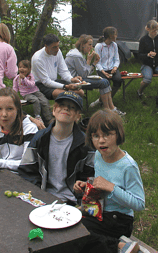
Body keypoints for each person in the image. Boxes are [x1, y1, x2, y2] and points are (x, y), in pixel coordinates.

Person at [75, 109, 145, 253]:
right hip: (99, 211)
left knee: (80, 234)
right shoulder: (98, 155)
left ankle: (118, 246)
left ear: (118, 135)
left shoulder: (128, 166)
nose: (101, 140)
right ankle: (119, 245)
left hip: (119, 219)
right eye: (96, 136)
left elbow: (139, 203)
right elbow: (101, 183)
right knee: (71, 227)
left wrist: (111, 187)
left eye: (107, 134)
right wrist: (88, 185)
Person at [18, 91, 95, 205]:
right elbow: (27, 171)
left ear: (78, 116)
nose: (66, 109)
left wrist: (80, 195)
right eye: (61, 105)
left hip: (72, 201)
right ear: (54, 110)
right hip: (43, 198)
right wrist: (38, 194)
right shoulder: (39, 138)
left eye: (72, 107)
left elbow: (91, 176)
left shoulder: (86, 144)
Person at [0, 87, 38, 171]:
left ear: (17, 109)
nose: (4, 114)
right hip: (4, 174)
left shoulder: (29, 130)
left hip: (25, 177)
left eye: (9, 109)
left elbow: (28, 163)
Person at [65, 34, 125, 116]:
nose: (91, 47)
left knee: (105, 82)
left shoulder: (78, 54)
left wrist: (93, 62)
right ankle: (108, 110)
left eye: (92, 45)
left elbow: (84, 72)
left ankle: (111, 108)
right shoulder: (76, 56)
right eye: (89, 44)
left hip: (79, 78)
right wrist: (91, 62)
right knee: (104, 82)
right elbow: (84, 74)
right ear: (82, 45)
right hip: (73, 81)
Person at [31, 34, 84, 100]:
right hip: (41, 85)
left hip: (54, 81)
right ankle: (60, 109)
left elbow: (63, 71)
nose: (57, 49)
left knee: (80, 92)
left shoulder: (58, 52)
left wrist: (71, 79)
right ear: (46, 46)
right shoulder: (38, 59)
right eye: (54, 47)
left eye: (58, 46)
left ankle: (72, 109)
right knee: (67, 95)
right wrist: (65, 86)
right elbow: (46, 81)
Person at [13, 60, 53, 125]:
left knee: (44, 101)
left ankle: (48, 119)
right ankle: (37, 116)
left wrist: (24, 79)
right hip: (26, 94)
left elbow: (31, 85)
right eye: (20, 67)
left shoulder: (31, 76)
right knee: (35, 100)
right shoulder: (17, 78)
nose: (22, 69)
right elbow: (15, 88)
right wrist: (14, 95)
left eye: (24, 67)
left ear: (29, 69)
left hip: (35, 91)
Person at [94, 27, 123, 98]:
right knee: (106, 83)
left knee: (118, 80)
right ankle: (103, 101)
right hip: (102, 69)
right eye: (115, 34)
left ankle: (108, 98)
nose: (116, 36)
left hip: (111, 68)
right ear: (110, 36)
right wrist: (103, 72)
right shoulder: (99, 46)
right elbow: (97, 62)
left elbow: (116, 59)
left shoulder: (114, 45)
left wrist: (115, 68)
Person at [136, 19, 158, 105]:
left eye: (157, 30)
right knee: (148, 79)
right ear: (148, 29)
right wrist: (148, 55)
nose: (155, 32)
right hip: (147, 64)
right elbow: (139, 55)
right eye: (154, 30)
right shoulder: (143, 40)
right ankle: (139, 92)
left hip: (157, 64)